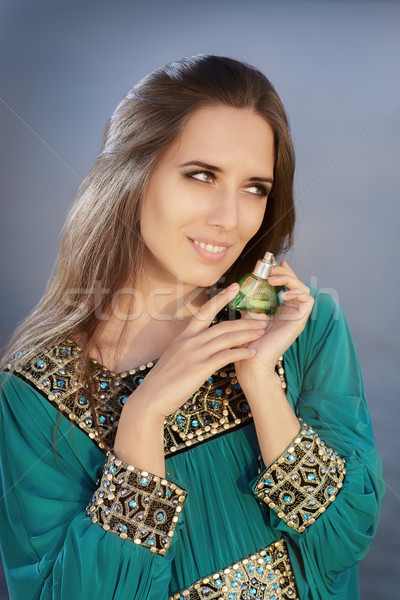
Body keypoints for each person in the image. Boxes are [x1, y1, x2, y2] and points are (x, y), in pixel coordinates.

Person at [0, 55, 384, 600]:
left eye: (255, 187)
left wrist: (260, 379)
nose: (230, 217)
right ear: (130, 176)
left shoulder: (304, 328)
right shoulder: (32, 394)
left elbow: (345, 539)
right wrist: (143, 416)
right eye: (201, 175)